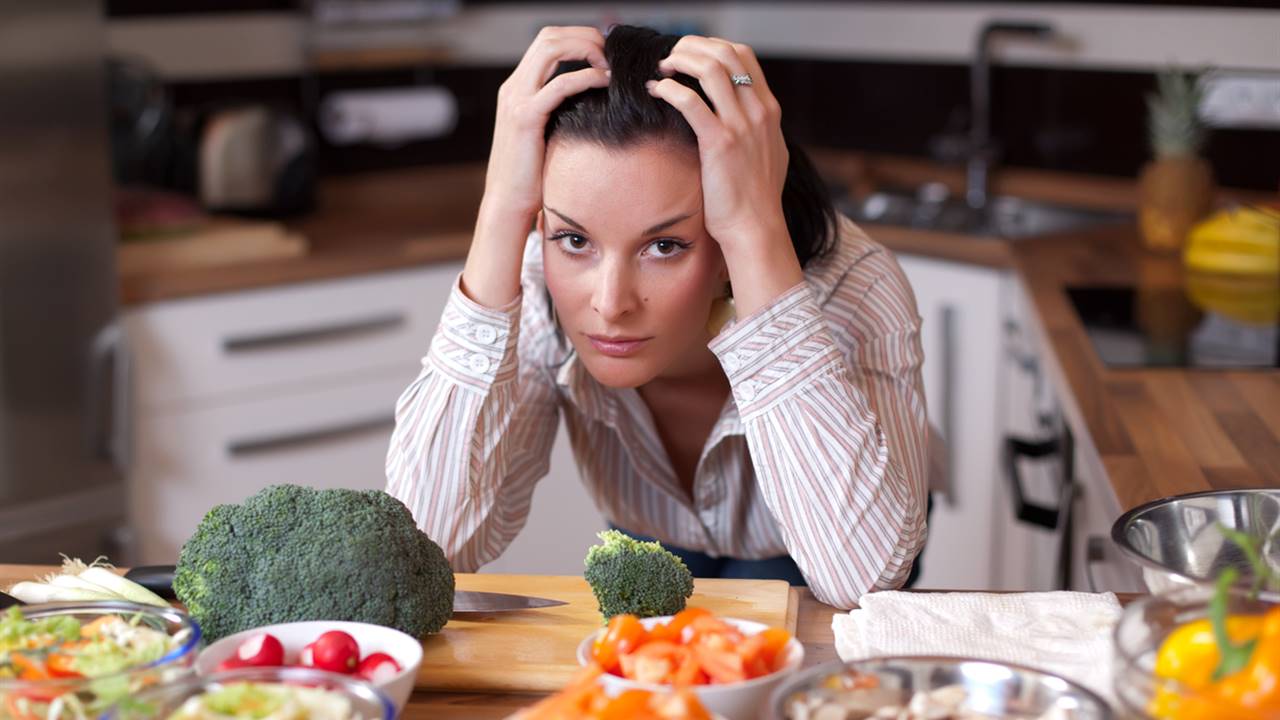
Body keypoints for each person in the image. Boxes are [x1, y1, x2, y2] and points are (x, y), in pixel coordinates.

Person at [386, 25, 930, 609]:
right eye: (573, 238)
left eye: (665, 246)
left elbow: (862, 580)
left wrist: (753, 231)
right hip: (652, 535)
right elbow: (426, 547)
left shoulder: (853, 288)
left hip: (829, 544)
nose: (610, 302)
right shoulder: (536, 279)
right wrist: (499, 210)